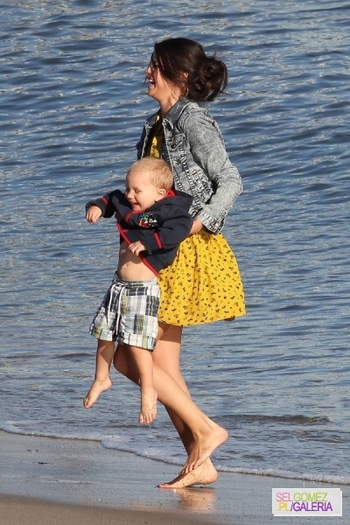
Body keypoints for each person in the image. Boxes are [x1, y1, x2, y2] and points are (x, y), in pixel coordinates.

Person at [113, 37, 246, 488]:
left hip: (184, 251)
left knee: (132, 359)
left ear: (180, 75)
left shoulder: (192, 119)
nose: (146, 72)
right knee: (160, 366)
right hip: (160, 251)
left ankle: (208, 433)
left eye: (154, 65)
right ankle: (199, 459)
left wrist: (196, 224)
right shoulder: (156, 123)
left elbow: (230, 180)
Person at [83, 157, 193, 424]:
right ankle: (101, 378)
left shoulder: (170, 210)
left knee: (137, 343)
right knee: (104, 331)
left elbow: (178, 230)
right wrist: (97, 207)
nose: (130, 195)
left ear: (159, 193)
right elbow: (111, 199)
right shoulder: (126, 201)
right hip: (118, 286)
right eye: (128, 188)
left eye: (137, 191)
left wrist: (148, 243)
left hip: (143, 290)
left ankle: (148, 388)